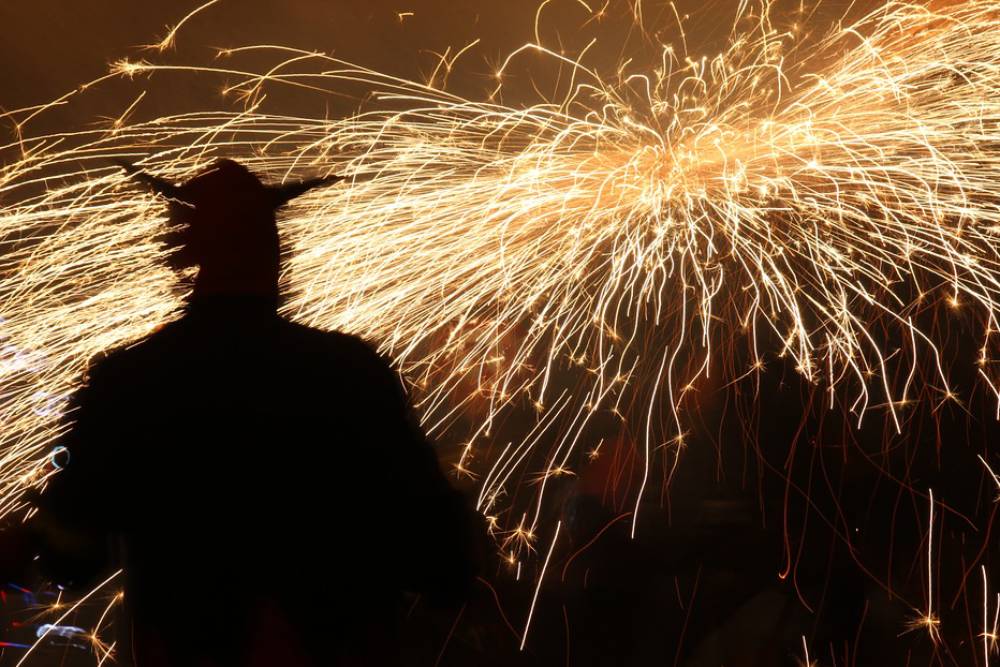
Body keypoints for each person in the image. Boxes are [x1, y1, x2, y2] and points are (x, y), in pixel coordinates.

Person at [30, 159, 481, 666]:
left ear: (185, 249)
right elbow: (437, 553)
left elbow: (71, 557)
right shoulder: (352, 372)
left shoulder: (129, 378)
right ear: (276, 251)